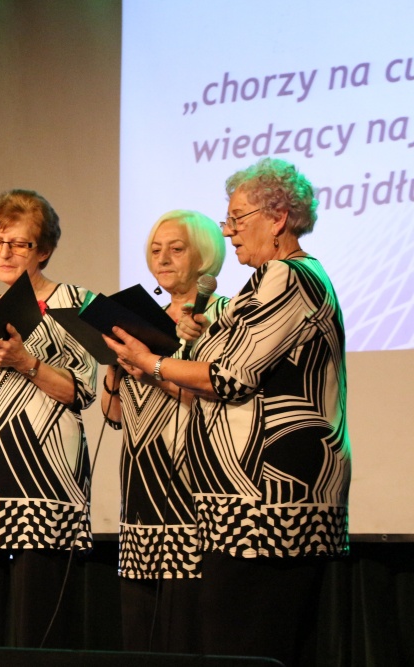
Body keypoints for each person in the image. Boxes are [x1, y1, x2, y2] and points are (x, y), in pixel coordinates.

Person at [104, 158, 350, 667]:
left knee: (247, 648)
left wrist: (150, 362)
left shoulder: (288, 276)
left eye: (238, 218)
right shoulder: (264, 283)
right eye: (227, 219)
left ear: (278, 218)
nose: (229, 231)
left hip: (268, 501)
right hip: (245, 504)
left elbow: (230, 376)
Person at [0, 189, 98, 648]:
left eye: (19, 243)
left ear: (43, 249)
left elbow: (81, 390)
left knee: (41, 631)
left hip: (45, 481)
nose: (5, 253)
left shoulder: (74, 302)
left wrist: (24, 362)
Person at [101, 210, 228, 652]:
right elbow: (113, 414)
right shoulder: (143, 321)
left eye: (176, 249)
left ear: (204, 256)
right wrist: (116, 367)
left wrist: (151, 370)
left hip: (190, 483)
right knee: (141, 633)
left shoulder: (220, 316)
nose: (163, 258)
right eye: (156, 249)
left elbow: (216, 396)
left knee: (185, 631)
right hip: (140, 487)